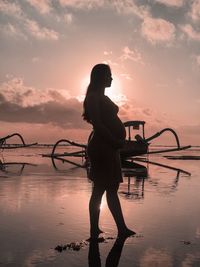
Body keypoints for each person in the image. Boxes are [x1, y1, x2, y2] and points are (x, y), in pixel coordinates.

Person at [82, 63, 135, 239]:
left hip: (110, 147)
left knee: (111, 188)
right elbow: (97, 123)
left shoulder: (101, 96)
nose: (111, 78)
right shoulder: (93, 97)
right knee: (100, 188)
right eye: (108, 75)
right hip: (103, 146)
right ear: (99, 77)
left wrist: (116, 142)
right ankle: (95, 229)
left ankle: (120, 228)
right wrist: (113, 141)